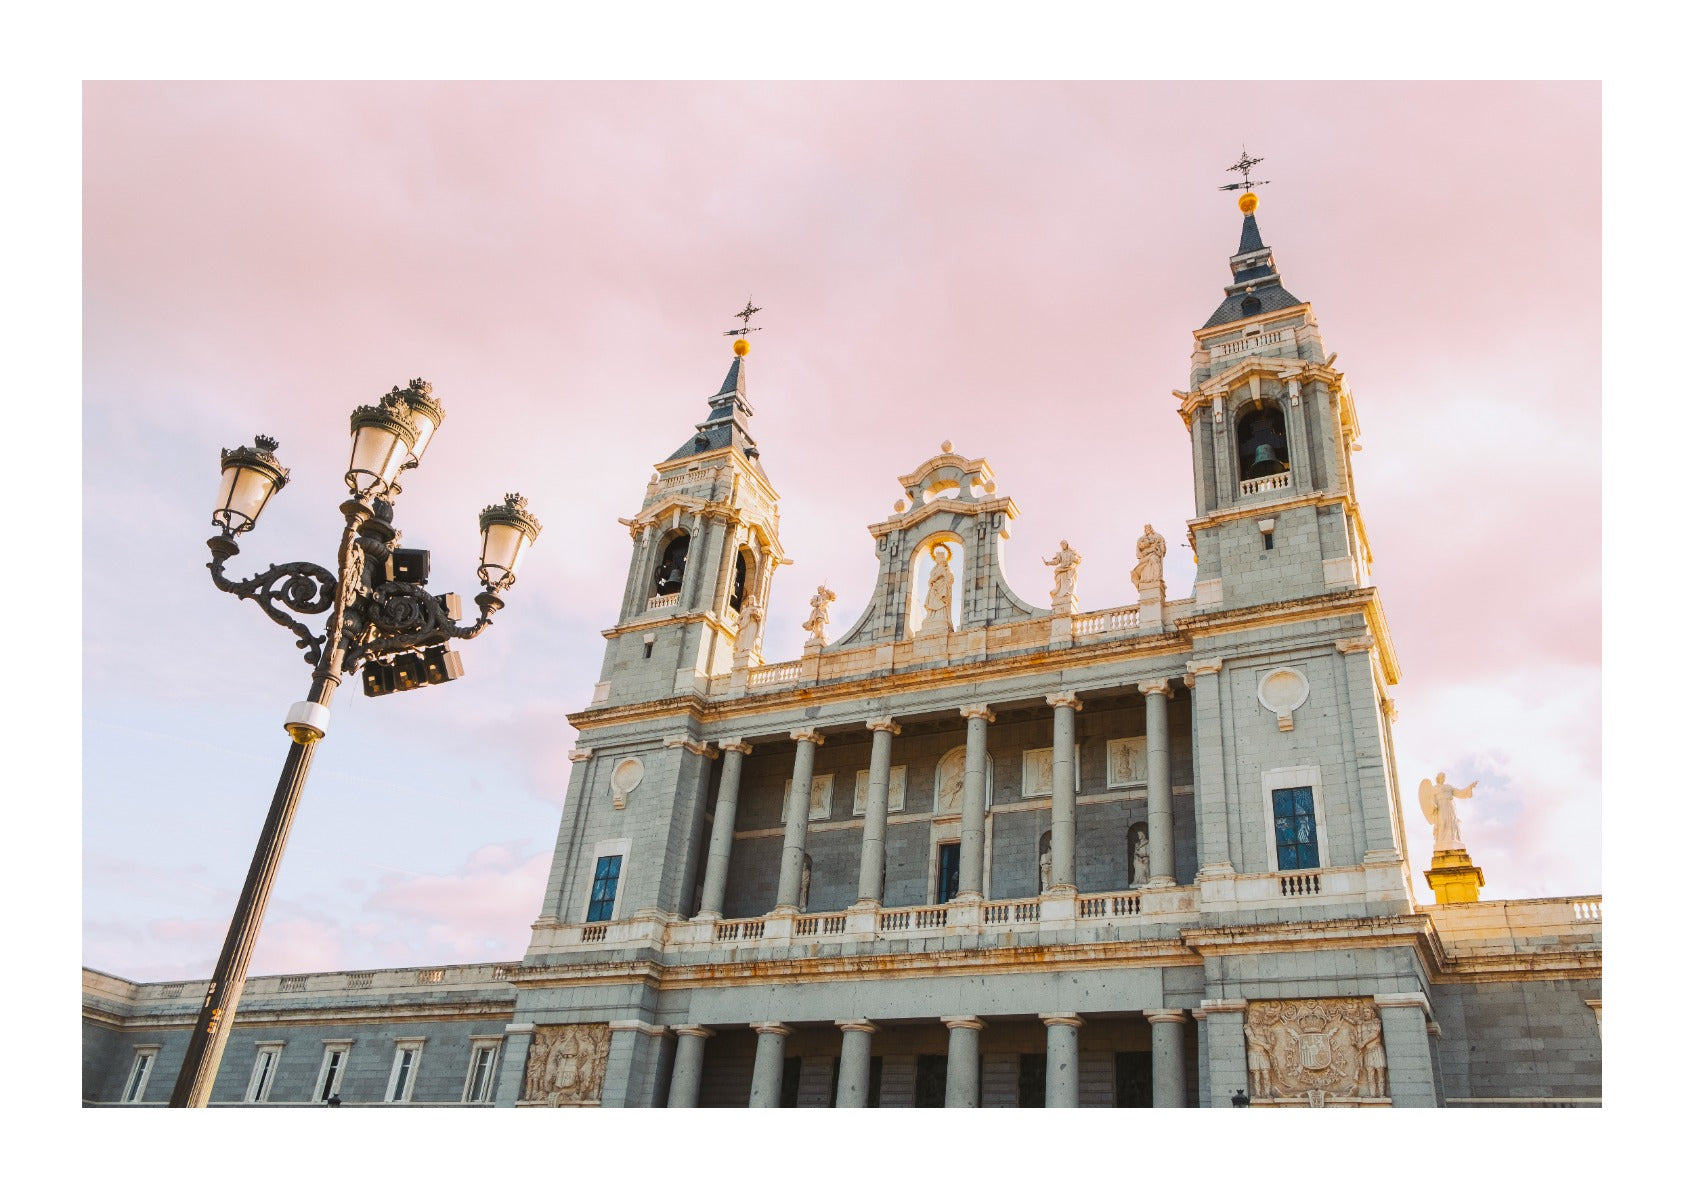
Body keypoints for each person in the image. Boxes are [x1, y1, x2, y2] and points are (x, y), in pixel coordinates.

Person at [1418, 772, 1478, 851]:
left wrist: (1469, 787)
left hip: (1450, 806)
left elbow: (1460, 793)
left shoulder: (1449, 787)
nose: (1443, 778)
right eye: (1441, 777)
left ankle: (1453, 840)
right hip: (1441, 807)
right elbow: (1431, 799)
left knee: (1452, 823)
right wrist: (1433, 805)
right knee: (1442, 823)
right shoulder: (1434, 788)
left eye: (1444, 777)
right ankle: (1441, 841)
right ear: (1438, 778)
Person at [924, 545, 955, 631]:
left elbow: (950, 577)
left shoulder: (946, 567)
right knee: (932, 602)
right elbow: (932, 577)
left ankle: (941, 617)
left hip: (942, 586)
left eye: (941, 556)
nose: (939, 558)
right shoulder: (934, 568)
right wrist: (931, 580)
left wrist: (939, 576)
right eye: (937, 557)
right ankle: (931, 617)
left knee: (941, 601)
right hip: (934, 587)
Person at [1131, 524, 1166, 591]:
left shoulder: (1158, 536)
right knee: (1147, 566)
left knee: (1154, 560)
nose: (1147, 530)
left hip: (1154, 553)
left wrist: (1161, 547)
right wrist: (1149, 542)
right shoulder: (1142, 538)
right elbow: (1140, 546)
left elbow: (1162, 545)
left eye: (1148, 528)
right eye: (1146, 529)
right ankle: (1146, 580)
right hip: (1145, 555)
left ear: (1151, 528)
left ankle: (1157, 578)